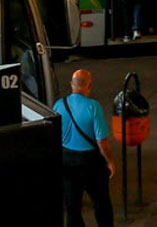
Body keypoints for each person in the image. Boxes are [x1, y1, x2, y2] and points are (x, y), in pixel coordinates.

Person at [54, 69, 116, 227]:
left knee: (72, 207)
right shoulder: (93, 107)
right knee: (101, 202)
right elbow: (101, 140)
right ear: (89, 86)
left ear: (71, 85)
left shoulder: (59, 105)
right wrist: (109, 161)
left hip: (67, 161)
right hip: (91, 162)